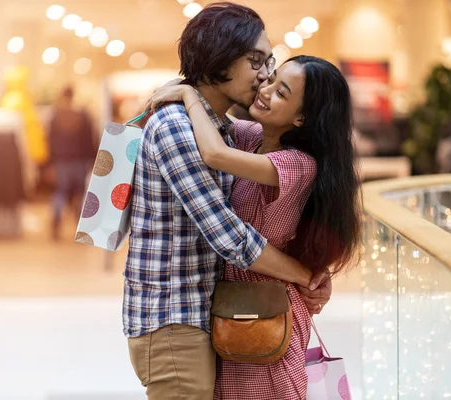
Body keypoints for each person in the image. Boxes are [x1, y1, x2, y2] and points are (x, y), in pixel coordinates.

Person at [123, 3, 332, 399]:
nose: (265, 75)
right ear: (219, 57)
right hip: (173, 318)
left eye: (268, 62)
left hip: (203, 313)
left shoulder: (222, 132)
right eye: (255, 61)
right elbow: (231, 237)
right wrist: (305, 277)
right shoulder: (178, 129)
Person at [148, 55, 363, 398]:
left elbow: (215, 153)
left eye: (282, 92)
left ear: (301, 118)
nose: (266, 90)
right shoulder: (254, 139)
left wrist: (188, 96)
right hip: (235, 305)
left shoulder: (297, 164)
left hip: (267, 308)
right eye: (271, 79)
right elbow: (217, 119)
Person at [47, 85, 98, 240]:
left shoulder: (56, 115)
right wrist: (92, 159)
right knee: (79, 193)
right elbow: (90, 139)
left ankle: (56, 222)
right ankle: (80, 225)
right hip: (80, 161)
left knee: (60, 192)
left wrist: (49, 162)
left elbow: (49, 140)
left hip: (61, 161)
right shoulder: (82, 115)